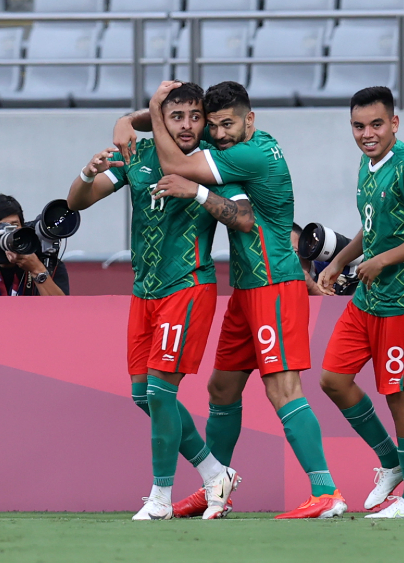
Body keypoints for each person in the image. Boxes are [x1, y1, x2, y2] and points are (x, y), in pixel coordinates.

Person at [135, 80, 346, 519]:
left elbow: (175, 160)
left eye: (228, 123)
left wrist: (153, 113)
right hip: (247, 290)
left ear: (251, 119)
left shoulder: (248, 154)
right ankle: (217, 487)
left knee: (282, 388)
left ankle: (326, 492)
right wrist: (128, 121)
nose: (220, 133)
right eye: (214, 126)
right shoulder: (244, 150)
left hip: (272, 286)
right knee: (221, 387)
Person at [67, 82, 246, 521]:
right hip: (144, 291)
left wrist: (199, 191)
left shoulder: (213, 159)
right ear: (162, 120)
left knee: (161, 391)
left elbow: (243, 217)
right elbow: (76, 202)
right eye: (176, 116)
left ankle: (160, 497)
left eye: (194, 117)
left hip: (187, 286)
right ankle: (214, 472)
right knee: (141, 396)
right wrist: (89, 173)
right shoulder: (139, 155)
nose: (187, 125)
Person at [315, 87, 404, 519]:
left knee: (400, 397)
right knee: (333, 379)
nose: (367, 134)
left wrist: (381, 260)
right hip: (370, 300)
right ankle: (391, 461)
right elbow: (371, 226)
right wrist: (339, 261)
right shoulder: (368, 164)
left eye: (376, 124)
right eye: (358, 126)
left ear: (394, 122)